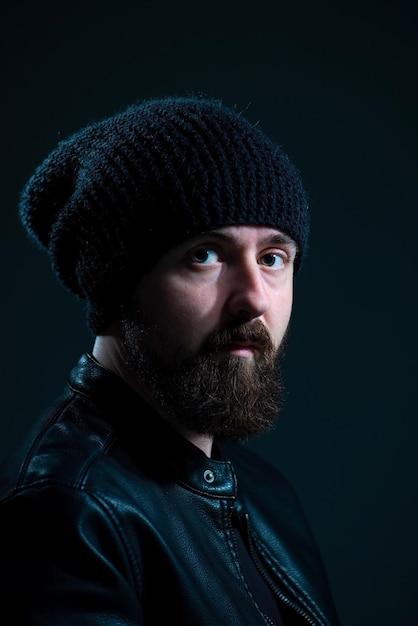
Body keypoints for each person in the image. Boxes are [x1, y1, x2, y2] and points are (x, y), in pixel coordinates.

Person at [0, 95, 341, 625]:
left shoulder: (262, 490)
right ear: (116, 288)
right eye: (204, 254)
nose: (255, 298)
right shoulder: (69, 514)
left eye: (273, 258)